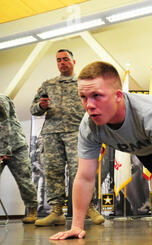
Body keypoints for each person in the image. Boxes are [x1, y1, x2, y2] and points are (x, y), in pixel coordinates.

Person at [49, 61, 152, 241]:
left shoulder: (151, 115)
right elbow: (84, 176)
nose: (89, 105)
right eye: (83, 97)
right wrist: (76, 226)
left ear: (118, 96)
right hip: (143, 144)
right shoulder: (89, 125)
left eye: (97, 96)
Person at [30, 49, 104, 226]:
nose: (62, 62)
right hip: (51, 133)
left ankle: (90, 208)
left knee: (81, 171)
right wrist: (41, 106)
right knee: (52, 171)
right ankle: (57, 211)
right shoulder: (47, 85)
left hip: (77, 132)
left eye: (65, 59)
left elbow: (96, 105)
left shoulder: (83, 83)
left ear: (73, 61)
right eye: (58, 60)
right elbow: (33, 109)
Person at [0, 94, 38, 223]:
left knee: (24, 179)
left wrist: (4, 150)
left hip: (16, 146)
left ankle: (32, 210)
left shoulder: (1, 99)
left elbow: (5, 125)